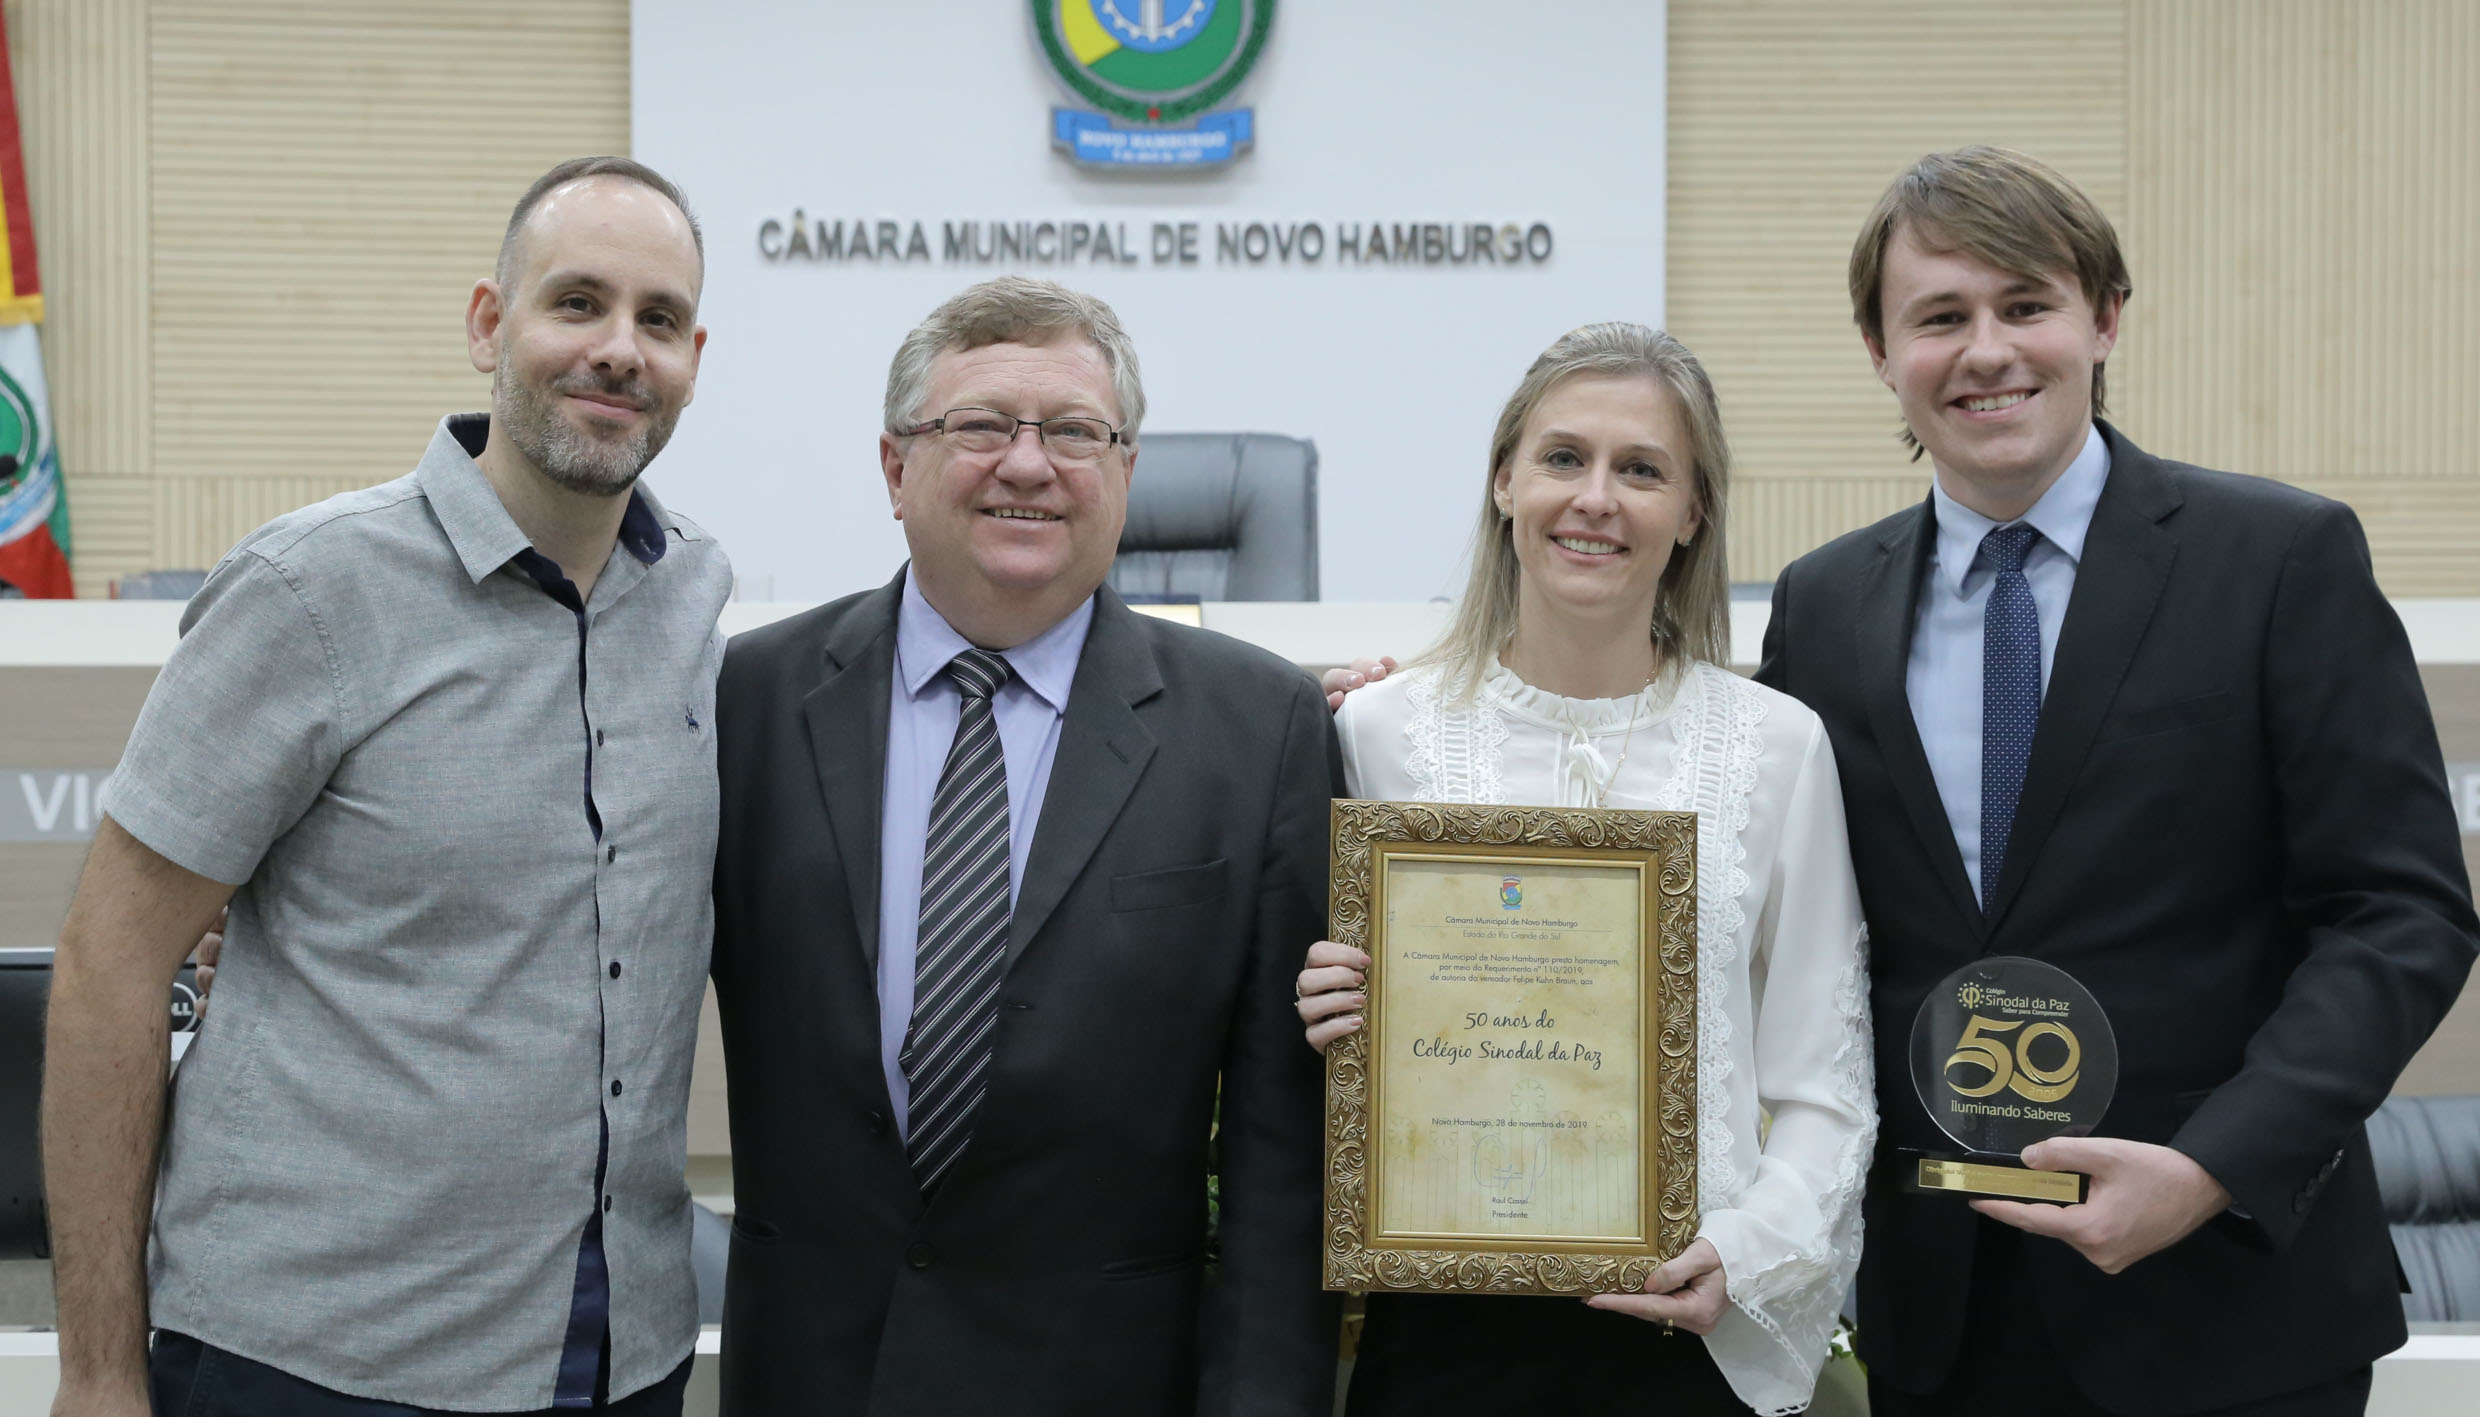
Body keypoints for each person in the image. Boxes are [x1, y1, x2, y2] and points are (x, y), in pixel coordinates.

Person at [1758, 146, 2480, 1414]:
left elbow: (2398, 913)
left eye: (2023, 305)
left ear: (2101, 318)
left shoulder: (2277, 558)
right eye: (1938, 317)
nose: (1985, 350)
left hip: (2229, 1311)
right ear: (1879, 352)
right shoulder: (1820, 608)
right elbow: (1772, 904)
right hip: (1941, 1314)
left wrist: (2210, 1167)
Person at [43, 156, 723, 1417]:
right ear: (487, 324)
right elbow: (109, 970)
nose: (619, 349)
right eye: (576, 303)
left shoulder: (692, 593)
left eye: (658, 319)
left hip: (620, 1356)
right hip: (312, 1361)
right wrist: (94, 1370)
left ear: (693, 355)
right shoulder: (310, 592)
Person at [707, 276, 1340, 1415]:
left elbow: (1276, 1157)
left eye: (1075, 433)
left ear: (1126, 473)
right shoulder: (745, 702)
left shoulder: (1257, 729)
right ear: (895, 468)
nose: (1029, 463)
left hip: (1107, 1381)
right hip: (811, 1375)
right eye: (982, 425)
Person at [1296, 323, 1876, 1416]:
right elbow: (1300, 1052)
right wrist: (1320, 999)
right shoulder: (1370, 732)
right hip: (1439, 1338)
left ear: (1691, 511)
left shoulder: (1777, 746)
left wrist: (1744, 1252)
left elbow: (1822, 1081)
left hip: (1681, 1331)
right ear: (1504, 481)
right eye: (1563, 458)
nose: (1595, 498)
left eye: (1641, 470)